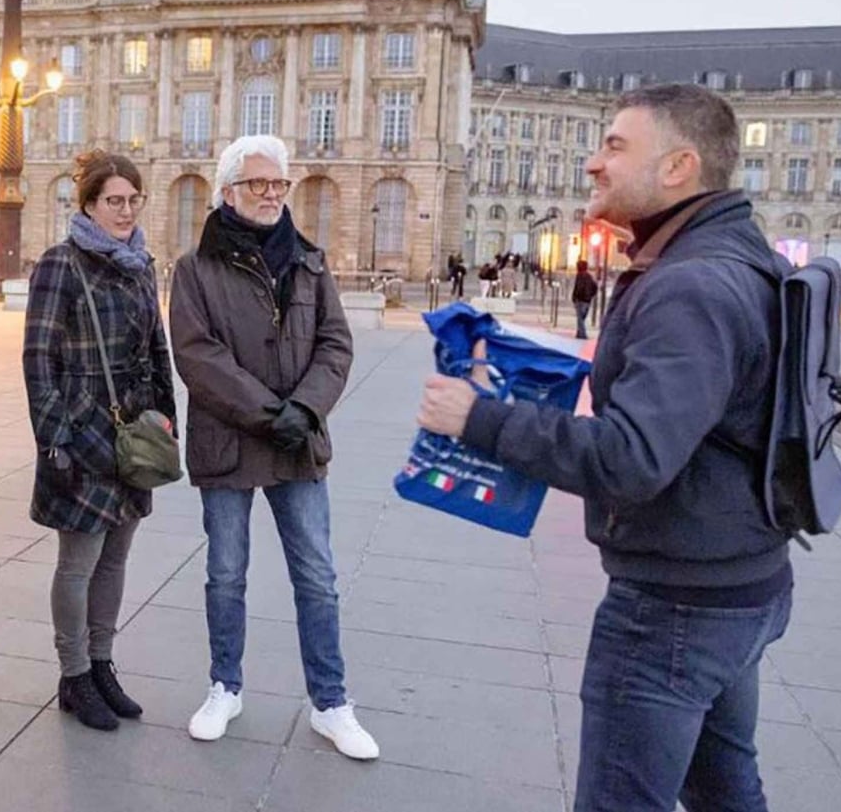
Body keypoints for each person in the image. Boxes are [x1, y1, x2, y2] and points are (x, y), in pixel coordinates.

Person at [418, 84, 793, 811]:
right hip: (738, 580)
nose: (594, 164)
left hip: (675, 608)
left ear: (679, 166)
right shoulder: (737, 257)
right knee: (726, 788)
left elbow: (631, 458)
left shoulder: (691, 286)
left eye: (616, 146)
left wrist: (481, 418)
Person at [169, 134, 379, 762]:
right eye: (258, 184)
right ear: (228, 190)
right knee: (226, 573)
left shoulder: (310, 262)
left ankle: (332, 702)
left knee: (317, 577)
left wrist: (307, 409)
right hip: (232, 441)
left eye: (278, 185)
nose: (270, 195)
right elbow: (197, 356)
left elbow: (335, 345)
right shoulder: (195, 268)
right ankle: (224, 686)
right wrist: (271, 415)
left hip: (297, 443)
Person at [22, 150, 176, 732]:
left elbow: (157, 346)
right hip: (82, 428)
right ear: (88, 203)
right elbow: (39, 358)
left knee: (116, 557)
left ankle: (103, 663)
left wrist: (165, 415)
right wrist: (54, 437)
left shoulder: (141, 264)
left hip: (134, 432)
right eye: (114, 200)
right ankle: (74, 674)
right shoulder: (61, 264)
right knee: (79, 560)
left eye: (134, 200)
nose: (125, 210)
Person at [571, 259, 599, 340]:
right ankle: (580, 332)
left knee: (580, 318)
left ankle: (582, 333)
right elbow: (595, 287)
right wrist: (591, 296)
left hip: (580, 299)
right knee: (582, 317)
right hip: (587, 300)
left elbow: (578, 287)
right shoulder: (589, 276)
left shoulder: (580, 275)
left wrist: (575, 296)